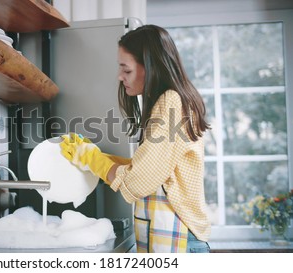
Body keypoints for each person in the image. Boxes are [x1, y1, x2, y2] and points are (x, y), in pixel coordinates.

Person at [60, 24, 211, 253]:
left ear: (151, 67)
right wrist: (96, 157)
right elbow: (154, 171)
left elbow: (137, 182)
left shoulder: (171, 101)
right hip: (176, 235)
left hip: (180, 238)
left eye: (126, 70)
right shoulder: (174, 100)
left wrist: (92, 159)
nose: (120, 77)